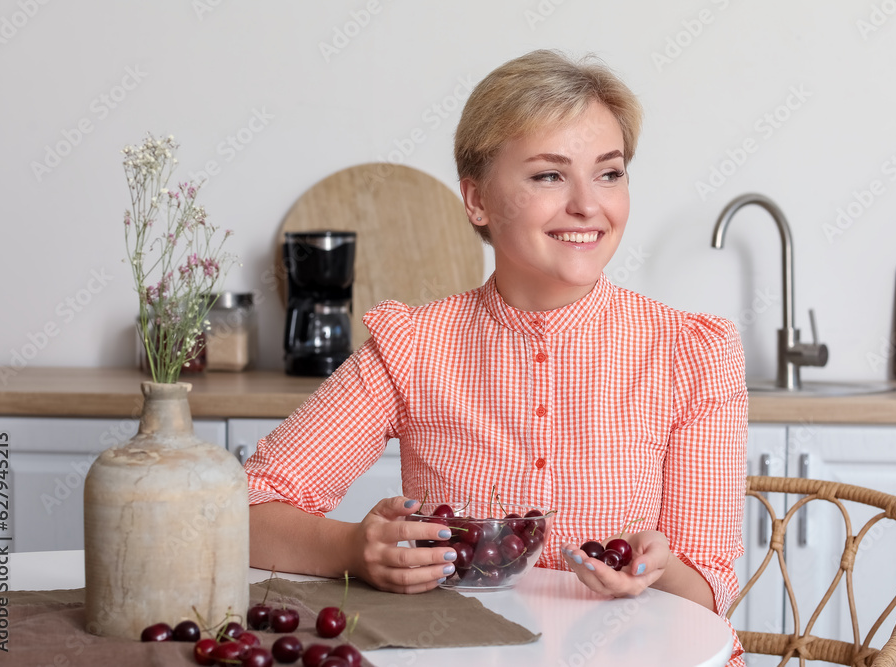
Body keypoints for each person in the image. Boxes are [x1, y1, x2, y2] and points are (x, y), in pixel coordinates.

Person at [246, 49, 747, 665]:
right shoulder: (413, 346)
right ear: (477, 200)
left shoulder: (693, 354)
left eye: (609, 173)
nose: (589, 204)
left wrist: (657, 571)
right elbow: (247, 511)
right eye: (549, 175)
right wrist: (354, 550)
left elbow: (708, 591)